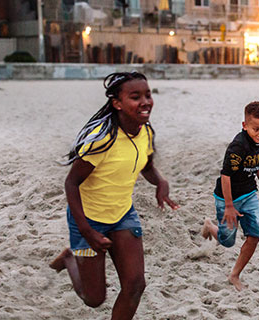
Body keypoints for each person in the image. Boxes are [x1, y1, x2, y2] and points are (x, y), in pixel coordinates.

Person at [50, 71, 181, 319]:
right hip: (88, 221)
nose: (145, 102)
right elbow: (71, 183)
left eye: (148, 94)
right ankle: (70, 258)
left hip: (123, 215)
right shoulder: (102, 140)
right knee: (94, 299)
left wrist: (160, 182)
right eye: (135, 97)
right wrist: (87, 231)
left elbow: (147, 166)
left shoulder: (146, 132)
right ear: (117, 103)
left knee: (135, 286)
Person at [199, 101, 259, 291]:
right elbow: (225, 176)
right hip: (227, 198)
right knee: (227, 241)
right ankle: (210, 227)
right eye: (256, 129)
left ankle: (234, 275)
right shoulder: (237, 147)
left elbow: (258, 166)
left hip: (249, 194)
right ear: (244, 126)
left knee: (255, 235)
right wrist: (229, 206)